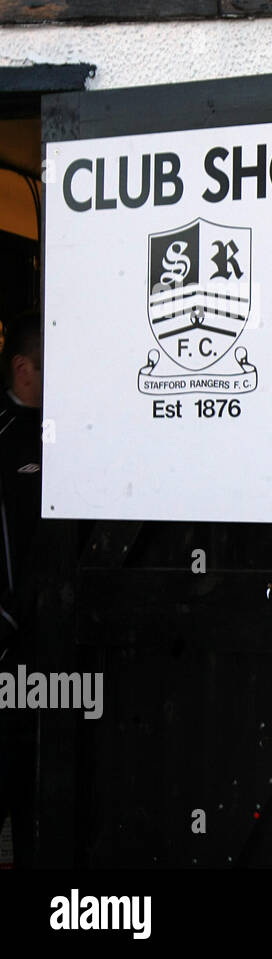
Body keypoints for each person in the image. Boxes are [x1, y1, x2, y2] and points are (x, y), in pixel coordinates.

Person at [0, 307, 42, 868]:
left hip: (65, 644)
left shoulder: (81, 432)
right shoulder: (5, 436)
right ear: (24, 369)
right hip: (11, 651)